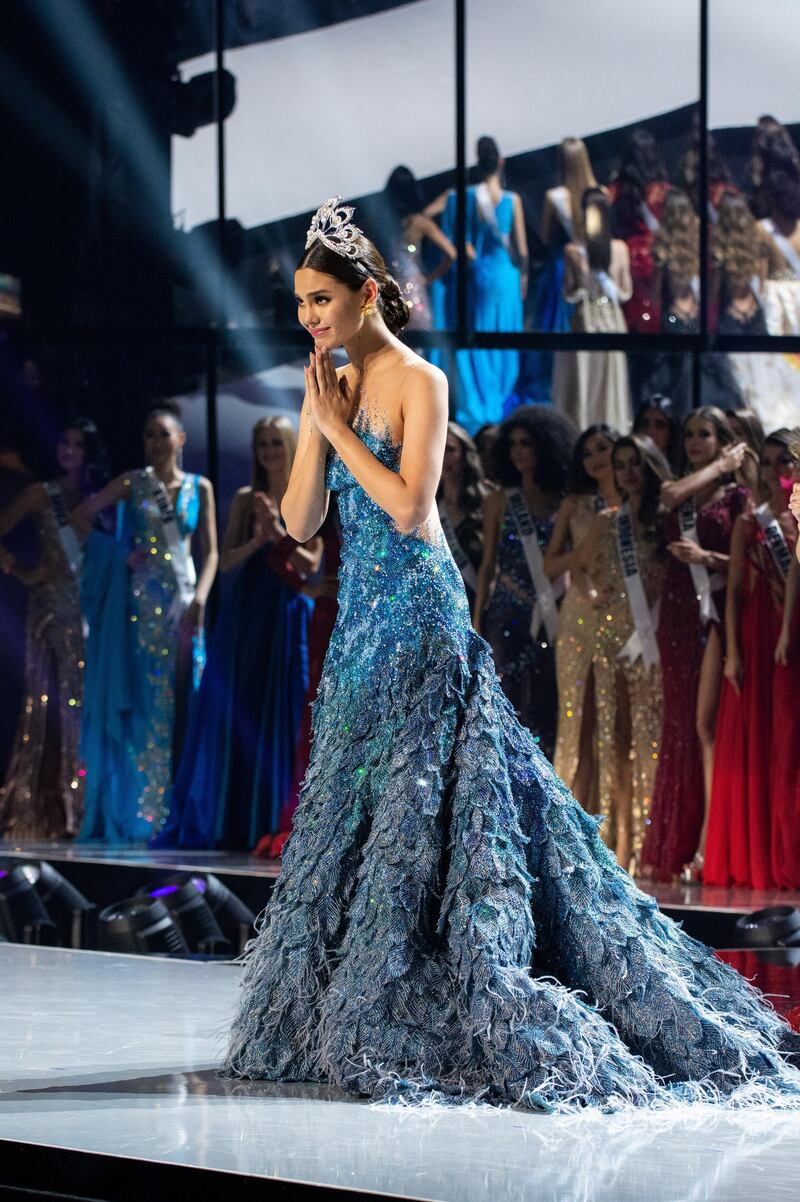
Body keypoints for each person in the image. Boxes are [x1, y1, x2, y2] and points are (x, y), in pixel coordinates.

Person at [222, 196, 800, 1111]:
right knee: (352, 798)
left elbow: (412, 512)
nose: (308, 318)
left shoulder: (421, 381)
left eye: (319, 300)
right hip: (360, 623)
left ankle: (439, 974)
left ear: (365, 292)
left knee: (430, 802)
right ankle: (331, 1000)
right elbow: (300, 522)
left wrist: (335, 432)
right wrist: (312, 419)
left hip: (419, 610)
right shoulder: (326, 384)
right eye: (299, 304)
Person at [161, 416, 319, 850]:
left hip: (287, 610)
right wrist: (258, 539)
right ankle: (233, 817)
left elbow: (312, 562)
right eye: (262, 444)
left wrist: (280, 534)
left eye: (275, 443)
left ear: (289, 445)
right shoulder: (247, 497)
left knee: (281, 708)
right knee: (241, 706)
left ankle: (271, 821)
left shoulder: (307, 492)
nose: (268, 451)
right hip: (247, 612)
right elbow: (226, 559)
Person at [74, 405, 218, 842]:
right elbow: (81, 517)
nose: (154, 443)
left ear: (180, 439)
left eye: (162, 434)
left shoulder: (200, 487)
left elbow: (209, 551)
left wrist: (202, 600)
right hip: (140, 610)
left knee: (185, 702)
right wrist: (120, 554)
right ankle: (143, 811)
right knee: (144, 705)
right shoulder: (133, 483)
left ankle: (179, 810)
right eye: (148, 435)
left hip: (184, 605)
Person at [640, 409, 754, 883]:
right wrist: (715, 466)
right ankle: (676, 839)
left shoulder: (740, 497)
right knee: (678, 727)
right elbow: (667, 495)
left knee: (704, 726)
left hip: (715, 612)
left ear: (725, 440)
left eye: (704, 434)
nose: (692, 441)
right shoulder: (685, 489)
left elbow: (750, 562)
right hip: (678, 613)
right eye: (688, 434)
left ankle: (710, 841)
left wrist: (707, 556)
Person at [0, 419, 105, 840]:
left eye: (78, 444)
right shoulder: (44, 494)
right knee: (48, 710)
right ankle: (48, 808)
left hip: (91, 614)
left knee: (85, 708)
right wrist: (24, 572)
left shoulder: (99, 498)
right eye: (64, 441)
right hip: (49, 611)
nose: (69, 449)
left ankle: (83, 806)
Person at [705, 430, 798, 890]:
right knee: (762, 746)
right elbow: (736, 595)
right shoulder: (750, 523)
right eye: (771, 461)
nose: (778, 470)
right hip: (760, 639)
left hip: (792, 635)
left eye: (787, 461)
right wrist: (734, 653)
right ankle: (764, 856)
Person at [575, 434, 670, 872]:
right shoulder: (608, 520)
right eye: (621, 463)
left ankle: (647, 844)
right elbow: (579, 568)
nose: (628, 472)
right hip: (611, 640)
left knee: (650, 740)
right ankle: (614, 845)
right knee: (611, 740)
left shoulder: (664, 516)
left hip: (651, 642)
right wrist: (594, 594)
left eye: (636, 463)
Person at [473, 406, 575, 757]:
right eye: (513, 444)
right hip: (507, 613)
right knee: (510, 697)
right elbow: (488, 564)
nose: (518, 451)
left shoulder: (564, 503)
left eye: (527, 443)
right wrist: (477, 620)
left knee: (550, 699)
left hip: (556, 611)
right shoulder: (499, 501)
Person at [428, 137, 528, 432]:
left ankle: (482, 407)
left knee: (480, 345)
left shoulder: (465, 198)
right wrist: (523, 278)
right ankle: (499, 400)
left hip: (480, 277)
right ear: (501, 163)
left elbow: (461, 242)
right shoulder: (513, 200)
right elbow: (522, 251)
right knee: (505, 342)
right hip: (506, 279)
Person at [544, 423, 620, 808]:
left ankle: (612, 819)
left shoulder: (635, 503)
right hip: (578, 614)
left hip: (625, 614)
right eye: (587, 453)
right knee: (577, 719)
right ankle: (570, 815)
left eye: (602, 449)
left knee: (616, 719)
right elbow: (550, 565)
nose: (595, 459)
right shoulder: (576, 505)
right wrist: (585, 551)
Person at [552, 187, 632, 432]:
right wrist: (583, 272)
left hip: (609, 320)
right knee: (584, 379)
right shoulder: (574, 251)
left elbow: (625, 292)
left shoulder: (619, 248)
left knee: (609, 380)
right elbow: (569, 293)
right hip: (585, 321)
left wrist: (603, 281)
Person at [608, 127, 670, 333]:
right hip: (658, 252)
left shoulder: (617, 187)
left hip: (628, 254)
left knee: (634, 314)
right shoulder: (663, 190)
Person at [382, 165, 456, 332]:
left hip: (390, 291)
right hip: (413, 290)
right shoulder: (419, 223)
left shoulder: (385, 224)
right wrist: (430, 278)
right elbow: (451, 253)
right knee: (419, 346)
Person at [436, 422, 489, 610]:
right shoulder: (428, 506)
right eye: (438, 448)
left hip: (479, 603)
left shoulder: (486, 502)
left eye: (450, 449)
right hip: (441, 604)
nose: (443, 457)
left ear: (465, 454)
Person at [632, 395, 681, 472]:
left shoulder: (684, 474)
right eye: (644, 424)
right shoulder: (626, 472)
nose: (650, 431)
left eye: (660, 426)